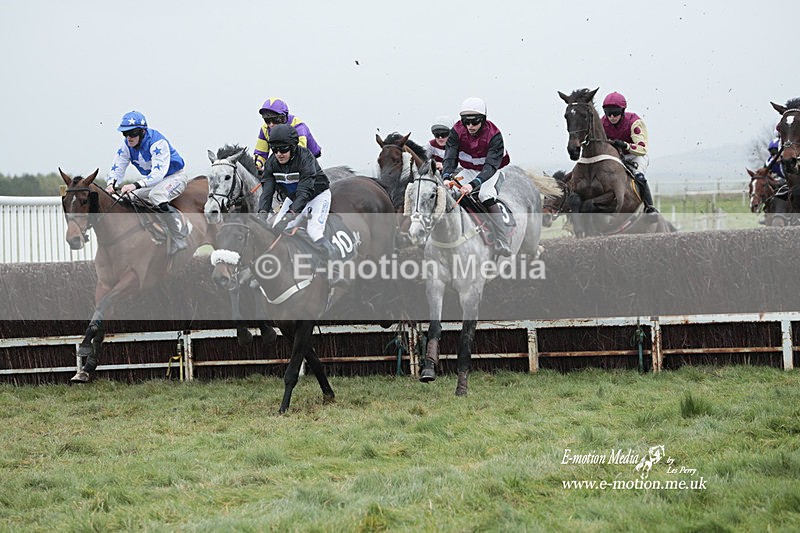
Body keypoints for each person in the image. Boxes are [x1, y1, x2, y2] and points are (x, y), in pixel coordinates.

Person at [257, 124, 342, 279]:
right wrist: (261, 216)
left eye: (283, 150)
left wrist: (289, 216)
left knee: (314, 231)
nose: (279, 154)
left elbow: (305, 192)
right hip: (294, 197)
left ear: (293, 147)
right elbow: (267, 194)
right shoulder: (271, 163)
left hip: (317, 195)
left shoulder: (306, 158)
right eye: (275, 150)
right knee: (275, 228)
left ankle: (335, 269)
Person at [105, 110, 189, 255]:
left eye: (132, 133)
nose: (128, 138)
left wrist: (135, 185)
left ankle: (178, 237)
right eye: (125, 134)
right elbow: (118, 166)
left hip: (174, 177)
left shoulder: (157, 142)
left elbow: (158, 174)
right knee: (126, 197)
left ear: (142, 132)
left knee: (157, 195)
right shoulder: (126, 145)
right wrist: (110, 184)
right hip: (156, 181)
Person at [442, 97, 513, 256]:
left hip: (492, 171)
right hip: (468, 170)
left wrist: (473, 184)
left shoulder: (494, 135)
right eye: (466, 122)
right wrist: (446, 176)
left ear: (483, 119)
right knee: (449, 193)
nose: (470, 126)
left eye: (474, 122)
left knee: (485, 195)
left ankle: (503, 240)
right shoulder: (456, 131)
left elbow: (490, 167)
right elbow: (450, 157)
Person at [601, 91, 656, 213]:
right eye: (608, 114)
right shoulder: (602, 123)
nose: (611, 117)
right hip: (616, 156)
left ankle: (649, 207)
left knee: (639, 176)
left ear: (622, 111)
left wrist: (624, 145)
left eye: (615, 113)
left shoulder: (634, 122)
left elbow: (642, 149)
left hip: (636, 156)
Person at [253, 98, 322, 174]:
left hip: (307, 160)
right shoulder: (265, 129)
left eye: (275, 120)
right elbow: (261, 152)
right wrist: (258, 163)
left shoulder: (298, 126)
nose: (271, 124)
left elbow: (299, 153)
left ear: (284, 117)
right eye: (267, 121)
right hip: (284, 159)